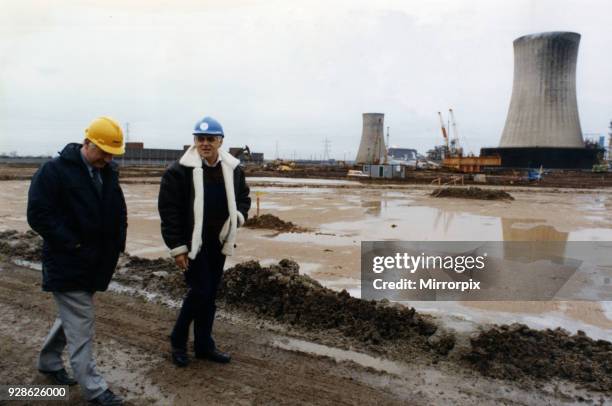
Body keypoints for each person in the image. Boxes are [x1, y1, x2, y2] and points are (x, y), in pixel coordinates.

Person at [27, 117, 128, 406]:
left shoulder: (107, 172)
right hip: (68, 261)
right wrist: (73, 243)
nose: (108, 158)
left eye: (112, 154)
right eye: (104, 152)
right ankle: (94, 389)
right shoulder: (53, 172)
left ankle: (48, 361)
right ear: (87, 143)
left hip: (97, 263)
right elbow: (38, 215)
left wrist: (118, 243)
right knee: (82, 323)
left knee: (71, 318)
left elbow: (117, 210)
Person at [158, 116, 251, 367]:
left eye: (211, 139)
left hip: (218, 243)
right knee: (200, 291)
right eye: (201, 139)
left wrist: (237, 218)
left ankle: (203, 345)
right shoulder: (179, 171)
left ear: (220, 141)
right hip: (193, 245)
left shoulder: (232, 169)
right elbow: (169, 212)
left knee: (210, 295)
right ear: (194, 141)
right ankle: (178, 340)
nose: (205, 144)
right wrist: (177, 247)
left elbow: (244, 198)